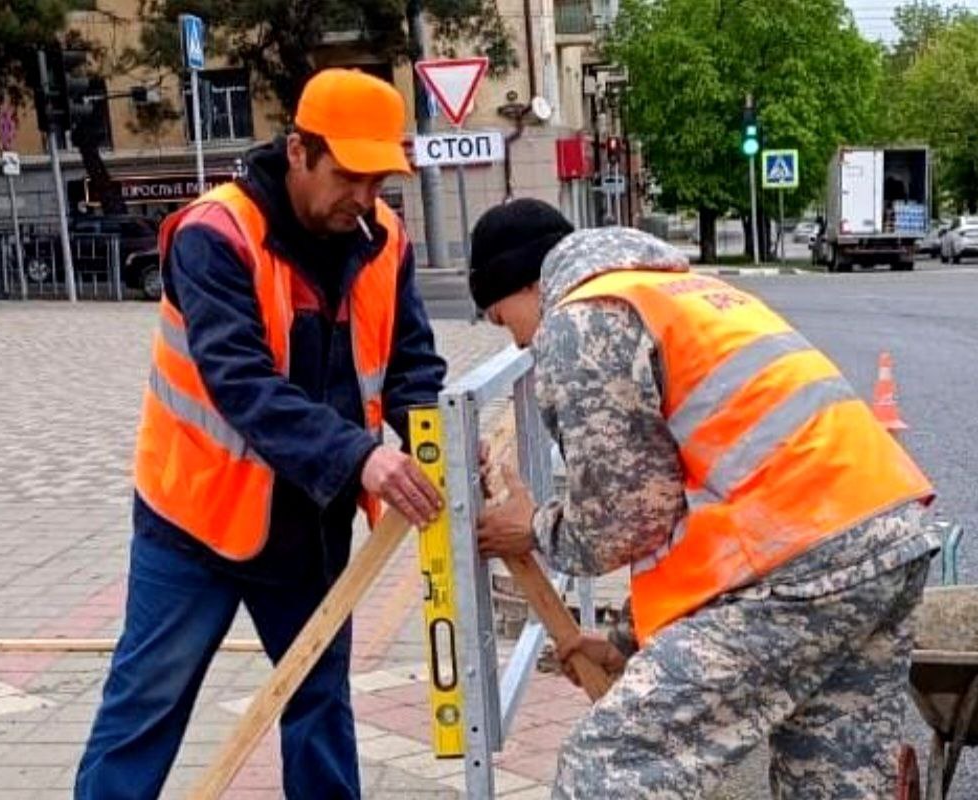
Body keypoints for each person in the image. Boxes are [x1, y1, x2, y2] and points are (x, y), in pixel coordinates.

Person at [468, 199, 937, 799]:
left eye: (502, 319)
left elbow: (625, 521)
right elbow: (695, 499)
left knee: (610, 765)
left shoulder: (581, 318)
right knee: (833, 781)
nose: (516, 341)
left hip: (800, 564)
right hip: (884, 537)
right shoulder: (681, 290)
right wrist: (623, 644)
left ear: (529, 282)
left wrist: (532, 525)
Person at [75, 69, 446, 800]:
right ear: (300, 150)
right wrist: (361, 457)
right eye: (349, 177)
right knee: (149, 699)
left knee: (316, 696)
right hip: (195, 519)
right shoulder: (217, 235)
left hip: (307, 521)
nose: (365, 199)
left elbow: (410, 361)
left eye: (378, 180)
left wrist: (437, 438)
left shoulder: (383, 238)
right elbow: (238, 381)